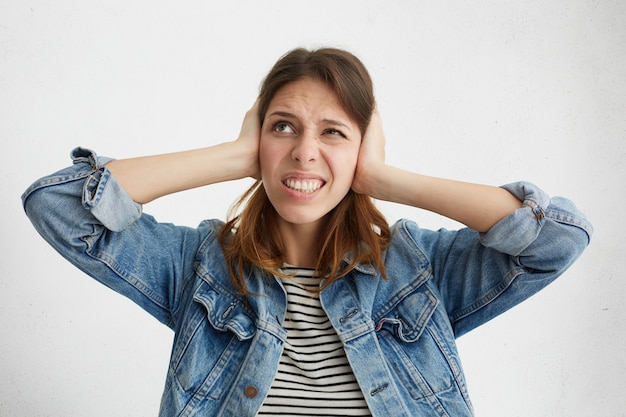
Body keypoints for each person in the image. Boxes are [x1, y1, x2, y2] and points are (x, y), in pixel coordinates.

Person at [22, 47, 592, 417]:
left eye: (334, 133)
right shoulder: (199, 267)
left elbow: (556, 241)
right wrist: (235, 154)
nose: (304, 152)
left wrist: (385, 179)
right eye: (283, 127)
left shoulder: (418, 271)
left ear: (363, 150)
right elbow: (60, 207)